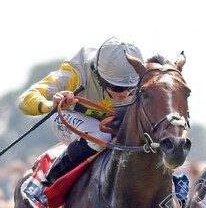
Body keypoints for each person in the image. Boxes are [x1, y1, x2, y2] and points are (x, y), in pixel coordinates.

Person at [18, 37, 143, 192]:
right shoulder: (75, 76)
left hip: (112, 126)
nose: (125, 94)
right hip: (68, 120)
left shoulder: (142, 81)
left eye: (130, 87)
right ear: (99, 76)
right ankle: (52, 178)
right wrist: (51, 105)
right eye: (117, 87)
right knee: (99, 136)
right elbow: (25, 100)